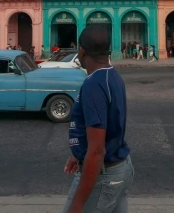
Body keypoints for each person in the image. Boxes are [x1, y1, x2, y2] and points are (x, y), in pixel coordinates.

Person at [63, 24, 133, 213]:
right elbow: (107, 127)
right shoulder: (113, 76)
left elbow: (96, 151)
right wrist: (77, 154)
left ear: (82, 50)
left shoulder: (94, 85)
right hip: (121, 167)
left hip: (104, 175)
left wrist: (77, 205)